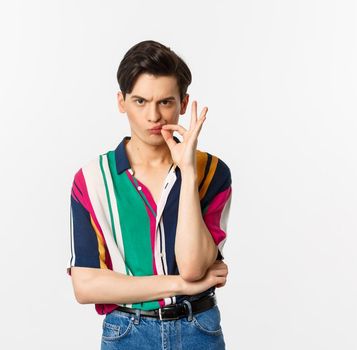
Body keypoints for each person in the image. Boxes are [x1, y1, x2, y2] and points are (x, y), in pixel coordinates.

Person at [67, 40, 233, 349]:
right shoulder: (92, 180)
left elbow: (194, 266)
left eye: (165, 102)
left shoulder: (211, 173)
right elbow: (86, 285)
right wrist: (180, 285)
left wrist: (187, 170)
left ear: (183, 103)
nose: (153, 116)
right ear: (122, 102)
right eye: (140, 101)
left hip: (198, 330)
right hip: (127, 332)